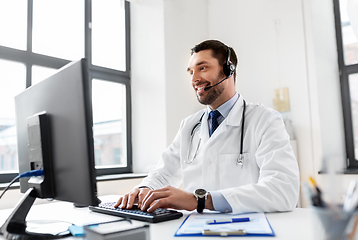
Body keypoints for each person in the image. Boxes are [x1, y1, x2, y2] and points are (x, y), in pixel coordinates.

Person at [115, 39, 300, 214]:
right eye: (190, 72)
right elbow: (164, 173)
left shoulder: (264, 120)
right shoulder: (189, 126)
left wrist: (201, 201)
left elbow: (283, 190)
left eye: (202, 68)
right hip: (193, 230)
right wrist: (143, 189)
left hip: (245, 228)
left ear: (229, 70)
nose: (194, 79)